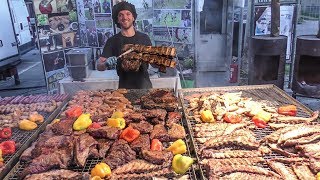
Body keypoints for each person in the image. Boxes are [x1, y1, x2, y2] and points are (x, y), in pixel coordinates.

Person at [98, 1, 153, 89]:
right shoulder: (112, 41)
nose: (124, 17)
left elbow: (154, 62)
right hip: (124, 89)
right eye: (121, 15)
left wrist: (163, 60)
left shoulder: (144, 38)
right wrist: (105, 64)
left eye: (128, 14)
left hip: (145, 87)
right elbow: (99, 66)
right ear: (118, 19)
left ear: (133, 17)